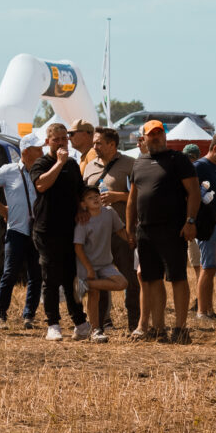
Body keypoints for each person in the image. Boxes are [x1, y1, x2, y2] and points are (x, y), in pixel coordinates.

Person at [127, 120, 199, 343]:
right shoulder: (139, 163)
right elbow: (132, 199)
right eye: (152, 134)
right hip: (145, 230)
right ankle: (158, 329)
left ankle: (181, 329)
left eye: (159, 133)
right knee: (152, 279)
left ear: (165, 136)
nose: (156, 137)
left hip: (172, 229)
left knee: (177, 277)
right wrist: (129, 228)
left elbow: (194, 192)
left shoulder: (179, 160)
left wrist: (190, 221)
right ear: (144, 138)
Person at [31, 123, 87, 342]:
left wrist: (81, 208)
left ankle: (80, 323)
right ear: (48, 142)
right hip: (47, 230)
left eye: (65, 138)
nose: (62, 142)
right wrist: (59, 163)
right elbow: (41, 186)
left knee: (71, 277)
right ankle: (53, 324)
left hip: (70, 230)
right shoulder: (41, 163)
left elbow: (79, 191)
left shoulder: (72, 164)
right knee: (51, 278)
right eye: (57, 139)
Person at [0, 144, 41, 329]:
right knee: (10, 274)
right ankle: (0, 316)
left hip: (37, 230)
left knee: (36, 276)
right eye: (38, 149)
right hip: (16, 230)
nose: (42, 152)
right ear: (26, 151)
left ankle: (29, 316)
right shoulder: (8, 170)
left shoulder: (41, 171)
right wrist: (1, 209)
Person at [84, 128, 138, 330]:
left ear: (112, 145)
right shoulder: (90, 166)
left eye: (98, 143)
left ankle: (135, 324)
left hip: (122, 233)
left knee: (130, 279)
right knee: (99, 279)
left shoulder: (130, 164)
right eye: (94, 142)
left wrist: (119, 196)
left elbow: (140, 195)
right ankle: (99, 325)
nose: (94, 146)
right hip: (96, 236)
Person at [72, 188, 127, 343]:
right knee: (94, 294)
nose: (95, 199)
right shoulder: (83, 221)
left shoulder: (109, 212)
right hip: (86, 264)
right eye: (90, 198)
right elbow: (78, 248)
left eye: (96, 196)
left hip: (105, 263)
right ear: (83, 204)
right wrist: (89, 269)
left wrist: (131, 240)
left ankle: (83, 285)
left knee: (122, 283)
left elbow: (120, 230)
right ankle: (96, 330)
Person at [190, 134, 216, 324]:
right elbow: (191, 194)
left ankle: (208, 309)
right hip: (208, 224)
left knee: (211, 267)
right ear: (215, 148)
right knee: (207, 267)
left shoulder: (213, 167)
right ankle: (201, 311)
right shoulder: (199, 167)